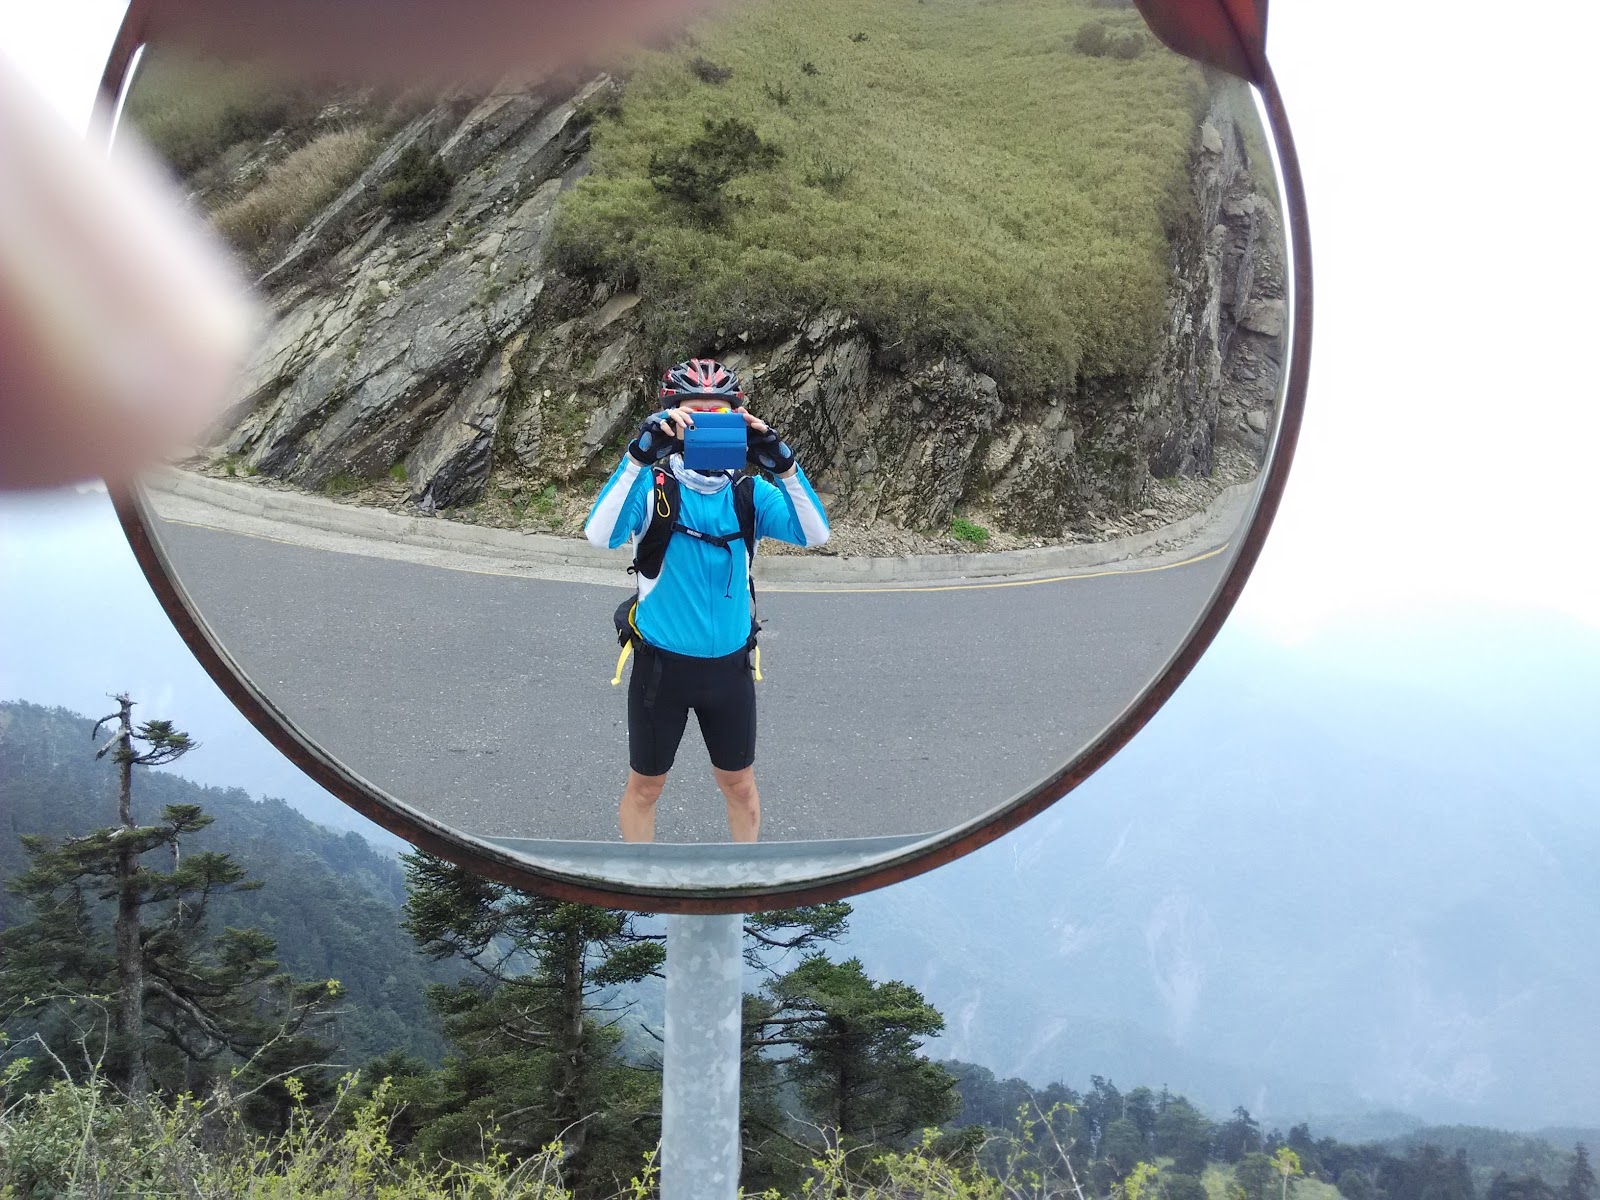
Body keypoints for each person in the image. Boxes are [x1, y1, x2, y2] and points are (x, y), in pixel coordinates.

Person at [584, 358, 830, 843]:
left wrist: (783, 464)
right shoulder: (653, 488)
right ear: (671, 419)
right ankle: (641, 879)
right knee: (645, 790)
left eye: (719, 416)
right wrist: (637, 457)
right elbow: (599, 535)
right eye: (693, 416)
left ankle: (742, 879)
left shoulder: (750, 493)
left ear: (739, 419)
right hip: (661, 671)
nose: (705, 426)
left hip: (730, 672)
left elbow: (815, 534)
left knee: (740, 786)